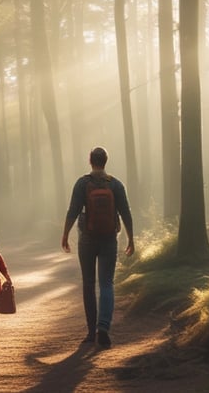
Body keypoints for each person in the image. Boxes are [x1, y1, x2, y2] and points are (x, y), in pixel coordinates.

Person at [61, 146, 135, 348]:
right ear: (106, 161)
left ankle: (91, 332)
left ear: (90, 160)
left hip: (87, 238)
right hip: (110, 239)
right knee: (106, 284)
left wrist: (65, 234)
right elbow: (126, 213)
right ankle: (103, 328)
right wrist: (131, 238)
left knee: (88, 284)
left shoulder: (82, 183)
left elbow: (73, 211)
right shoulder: (116, 185)